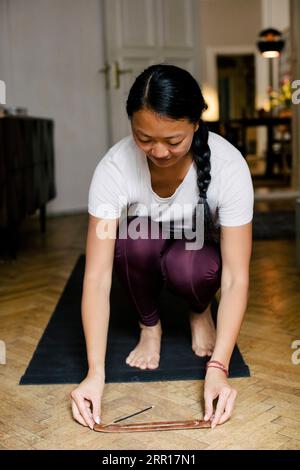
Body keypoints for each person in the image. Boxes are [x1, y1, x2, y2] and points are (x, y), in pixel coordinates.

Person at [70, 64, 253, 430]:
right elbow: (97, 277)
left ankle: (200, 311)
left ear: (197, 123)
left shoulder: (229, 166)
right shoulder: (114, 168)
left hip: (195, 252)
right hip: (143, 248)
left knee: (195, 264)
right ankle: (149, 325)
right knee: (133, 242)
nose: (159, 152)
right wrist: (94, 373)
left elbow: (234, 279)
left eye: (173, 141)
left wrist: (218, 368)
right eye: (144, 138)